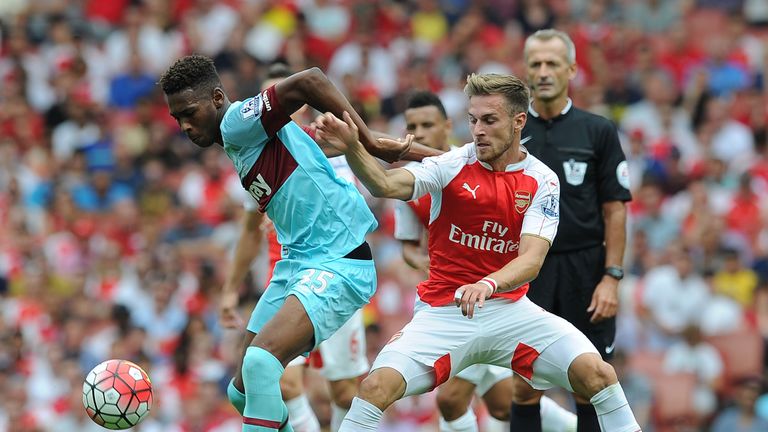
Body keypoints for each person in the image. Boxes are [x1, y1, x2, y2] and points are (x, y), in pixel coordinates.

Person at [314, 73, 641, 432]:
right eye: (473, 120)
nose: (478, 130)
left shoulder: (542, 179)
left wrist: (488, 285)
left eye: (489, 120)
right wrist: (352, 148)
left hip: (510, 311)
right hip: (444, 312)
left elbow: (531, 260)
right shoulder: (451, 164)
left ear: (518, 122)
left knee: (599, 375)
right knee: (376, 389)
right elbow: (385, 183)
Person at [159, 55, 440, 431]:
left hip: (339, 261)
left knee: (262, 364)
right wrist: (448, 157)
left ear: (215, 97)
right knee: (241, 390)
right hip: (297, 264)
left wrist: (369, 141)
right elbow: (333, 146)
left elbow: (311, 79)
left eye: (189, 112)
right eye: (177, 118)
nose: (184, 125)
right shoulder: (246, 139)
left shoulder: (238, 121)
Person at [393, 90, 576, 432]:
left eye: (427, 124)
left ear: (447, 126)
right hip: (450, 300)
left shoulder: (470, 165)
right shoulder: (413, 181)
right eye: (411, 126)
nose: (418, 133)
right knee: (502, 404)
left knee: (450, 400)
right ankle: (576, 427)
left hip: (494, 300)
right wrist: (426, 263)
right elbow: (407, 245)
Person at [222, 63, 369, 432]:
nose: (264, 108)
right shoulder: (256, 161)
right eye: (262, 99)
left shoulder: (329, 148)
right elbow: (249, 232)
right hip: (288, 277)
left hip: (333, 273)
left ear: (299, 106)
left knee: (344, 393)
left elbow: (363, 202)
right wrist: (230, 290)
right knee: (275, 378)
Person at [510, 29, 632, 432]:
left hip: (585, 270)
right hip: (530, 272)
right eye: (536, 64)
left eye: (552, 64)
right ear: (525, 71)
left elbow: (615, 210)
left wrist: (611, 278)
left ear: (572, 69)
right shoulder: (509, 133)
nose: (543, 72)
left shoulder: (597, 130)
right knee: (525, 387)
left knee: (589, 384)